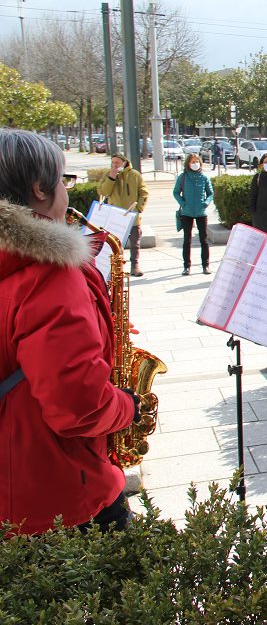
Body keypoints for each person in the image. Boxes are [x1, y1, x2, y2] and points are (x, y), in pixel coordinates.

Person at [0, 129, 138, 534]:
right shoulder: (48, 275)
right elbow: (79, 407)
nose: (66, 192)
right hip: (59, 494)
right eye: (63, 180)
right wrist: (127, 407)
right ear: (39, 189)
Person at [98, 153, 148, 276]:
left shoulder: (135, 175)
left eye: (117, 163)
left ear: (124, 162)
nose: (115, 165)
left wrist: (138, 208)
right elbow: (103, 191)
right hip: (115, 217)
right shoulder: (108, 174)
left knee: (135, 243)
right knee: (115, 244)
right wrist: (111, 178)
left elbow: (144, 193)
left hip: (132, 216)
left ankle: (135, 267)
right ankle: (117, 268)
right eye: (113, 163)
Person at [173, 153, 214, 275]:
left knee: (204, 240)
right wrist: (183, 203)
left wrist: (206, 203)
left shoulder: (204, 177)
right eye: (192, 161)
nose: (195, 163)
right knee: (187, 240)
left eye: (197, 161)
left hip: (201, 213)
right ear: (188, 163)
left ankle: (205, 266)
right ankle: (187, 266)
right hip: (187, 213)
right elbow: (176, 192)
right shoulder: (183, 177)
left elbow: (210, 193)